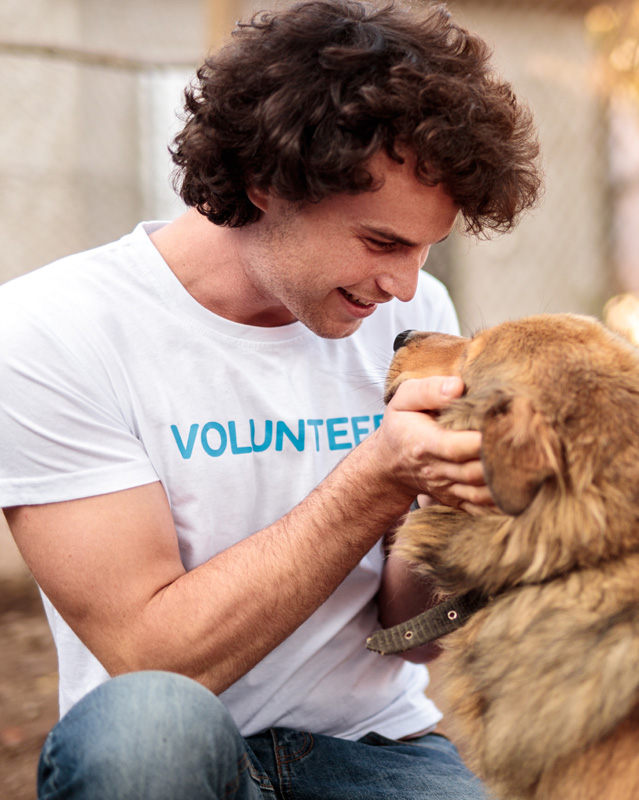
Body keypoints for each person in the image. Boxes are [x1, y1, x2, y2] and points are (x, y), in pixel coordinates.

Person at [0, 1, 541, 797]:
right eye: (382, 242)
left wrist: (472, 517)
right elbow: (152, 659)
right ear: (265, 181)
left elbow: (409, 636)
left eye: (426, 250)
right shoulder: (53, 331)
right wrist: (378, 481)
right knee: (144, 730)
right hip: (176, 753)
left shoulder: (406, 313)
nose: (405, 284)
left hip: (374, 747)